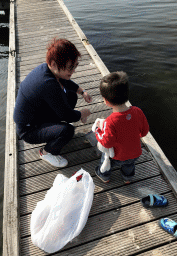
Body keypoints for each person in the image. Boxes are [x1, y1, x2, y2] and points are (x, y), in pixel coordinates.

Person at [13, 38, 92, 167]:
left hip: (37, 114)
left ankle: (55, 129)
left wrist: (82, 92)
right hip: (28, 129)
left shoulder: (48, 69)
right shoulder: (47, 84)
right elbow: (67, 115)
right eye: (70, 67)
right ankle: (46, 152)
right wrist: (82, 114)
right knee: (67, 131)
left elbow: (65, 80)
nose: (73, 71)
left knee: (71, 95)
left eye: (75, 66)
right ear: (54, 64)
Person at [94, 71, 149, 183]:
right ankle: (127, 178)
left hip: (118, 157)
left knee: (105, 158)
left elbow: (106, 143)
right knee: (129, 165)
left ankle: (104, 176)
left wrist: (97, 132)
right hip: (135, 153)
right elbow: (144, 132)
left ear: (106, 101)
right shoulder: (138, 111)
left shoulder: (110, 121)